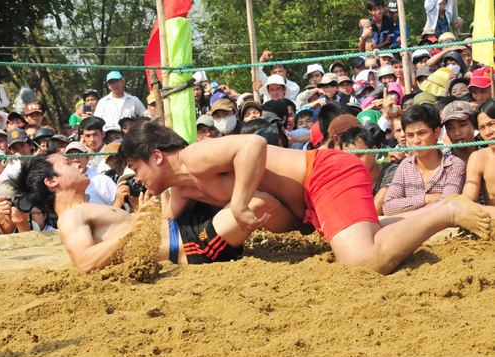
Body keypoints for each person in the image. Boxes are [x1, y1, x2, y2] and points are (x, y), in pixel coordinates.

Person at [119, 122, 493, 276]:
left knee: (365, 260)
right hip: (314, 199)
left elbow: (252, 145)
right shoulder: (181, 188)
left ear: (155, 156)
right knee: (361, 234)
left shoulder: (195, 156)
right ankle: (444, 208)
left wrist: (237, 203)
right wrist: (142, 211)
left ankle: (451, 211)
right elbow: (168, 227)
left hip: (324, 172)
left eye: (135, 168)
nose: (136, 178)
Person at [11, 151, 283, 271]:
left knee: (244, 182)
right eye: (68, 164)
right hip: (191, 246)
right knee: (257, 201)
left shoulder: (85, 208)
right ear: (52, 181)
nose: (78, 164)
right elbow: (85, 262)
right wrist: (132, 227)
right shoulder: (71, 217)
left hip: (184, 230)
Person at [383, 105, 465, 215]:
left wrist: (407, 210)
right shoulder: (405, 165)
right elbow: (388, 207)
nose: (416, 141)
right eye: (410, 135)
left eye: (421, 133)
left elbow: (447, 206)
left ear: (437, 133)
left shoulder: (454, 165)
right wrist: (427, 198)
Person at [340, 126, 398, 215]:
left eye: (360, 155)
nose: (355, 162)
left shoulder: (392, 171)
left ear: (374, 151)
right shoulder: (346, 179)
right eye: (349, 158)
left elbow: (376, 209)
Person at [463, 99, 495, 206]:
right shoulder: (479, 158)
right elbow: (468, 203)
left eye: (492, 124)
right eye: (482, 128)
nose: (488, 132)